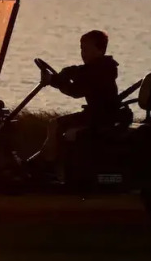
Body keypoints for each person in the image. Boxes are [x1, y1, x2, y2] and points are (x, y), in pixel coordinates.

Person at [39, 29, 121, 170]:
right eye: (82, 49)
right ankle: (54, 162)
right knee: (56, 126)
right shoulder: (99, 66)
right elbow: (78, 71)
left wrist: (54, 81)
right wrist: (64, 74)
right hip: (99, 114)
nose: (83, 53)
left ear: (100, 50)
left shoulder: (99, 71)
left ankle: (47, 164)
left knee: (55, 124)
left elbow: (75, 91)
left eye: (87, 49)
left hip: (101, 116)